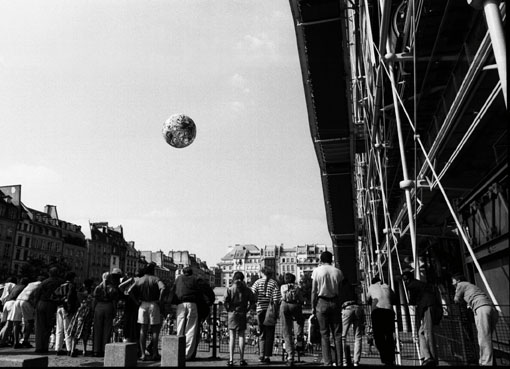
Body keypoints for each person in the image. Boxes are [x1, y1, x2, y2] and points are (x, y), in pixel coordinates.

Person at [452, 273, 499, 366]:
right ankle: (485, 361)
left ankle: (485, 363)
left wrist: (460, 299)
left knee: (483, 338)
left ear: (457, 280)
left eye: (452, 281)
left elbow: (456, 299)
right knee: (487, 337)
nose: (452, 283)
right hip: (492, 309)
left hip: (481, 308)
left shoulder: (461, 284)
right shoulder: (471, 286)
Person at [402, 271, 443, 366]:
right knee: (421, 332)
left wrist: (411, 302)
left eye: (405, 279)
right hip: (430, 306)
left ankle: (432, 358)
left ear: (409, 278)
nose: (405, 281)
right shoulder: (420, 284)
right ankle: (427, 356)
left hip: (427, 306)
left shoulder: (412, 285)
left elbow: (412, 299)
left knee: (428, 332)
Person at [311, 250, 344, 366]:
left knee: (324, 334)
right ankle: (340, 362)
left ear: (321, 259)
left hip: (321, 302)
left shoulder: (316, 271)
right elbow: (340, 290)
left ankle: (327, 362)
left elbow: (314, 291)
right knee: (338, 335)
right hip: (335, 302)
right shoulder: (338, 272)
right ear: (331, 260)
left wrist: (313, 306)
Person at [130, 262, 166, 362]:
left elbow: (129, 290)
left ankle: (142, 354)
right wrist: (160, 299)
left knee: (143, 330)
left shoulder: (140, 280)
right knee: (155, 330)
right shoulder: (156, 279)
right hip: (154, 304)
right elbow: (163, 288)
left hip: (142, 305)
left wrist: (136, 301)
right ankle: (154, 353)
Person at [170, 266, 203, 360]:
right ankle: (187, 354)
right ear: (191, 272)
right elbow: (200, 292)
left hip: (180, 304)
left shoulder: (178, 278)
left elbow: (173, 290)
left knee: (179, 328)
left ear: (183, 272)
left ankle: (178, 351)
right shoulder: (195, 279)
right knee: (191, 329)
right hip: (192, 304)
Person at [224, 271, 256, 367]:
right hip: (242, 312)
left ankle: (231, 359)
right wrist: (247, 309)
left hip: (232, 313)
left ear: (233, 278)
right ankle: (242, 359)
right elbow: (253, 301)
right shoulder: (247, 289)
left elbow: (225, 301)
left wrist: (228, 309)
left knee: (232, 336)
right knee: (241, 336)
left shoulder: (230, 288)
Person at [251, 266, 281, 364]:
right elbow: (277, 299)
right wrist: (276, 312)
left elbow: (252, 295)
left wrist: (256, 302)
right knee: (270, 334)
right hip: (270, 311)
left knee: (262, 333)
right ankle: (267, 356)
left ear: (262, 273)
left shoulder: (257, 282)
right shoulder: (274, 283)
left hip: (260, 310)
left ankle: (261, 355)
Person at [32, 268, 64, 354]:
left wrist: (35, 306)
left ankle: (39, 347)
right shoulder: (61, 282)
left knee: (39, 327)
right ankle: (45, 346)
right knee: (48, 327)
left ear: (49, 273)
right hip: (52, 305)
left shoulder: (44, 282)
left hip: (41, 303)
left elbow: (37, 294)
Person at [366, 276, 395, 365]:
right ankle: (391, 357)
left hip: (377, 311)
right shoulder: (387, 286)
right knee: (389, 335)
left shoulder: (371, 287)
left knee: (378, 336)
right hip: (389, 311)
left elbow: (367, 299)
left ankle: (384, 357)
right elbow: (394, 297)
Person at [12, 274, 46, 349]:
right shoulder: (42, 284)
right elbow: (36, 295)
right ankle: (25, 340)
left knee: (16, 322)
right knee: (30, 322)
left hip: (18, 300)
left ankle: (16, 342)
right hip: (26, 301)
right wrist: (34, 304)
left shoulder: (31, 283)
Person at [280, 272, 305, 366]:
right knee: (300, 321)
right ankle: (299, 340)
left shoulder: (282, 287)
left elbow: (281, 297)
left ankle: (290, 357)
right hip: (295, 305)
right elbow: (301, 300)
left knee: (286, 332)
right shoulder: (297, 288)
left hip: (284, 306)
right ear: (294, 279)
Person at [92, 272, 120, 357]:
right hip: (108, 306)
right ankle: (105, 349)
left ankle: (96, 349)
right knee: (107, 329)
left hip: (99, 307)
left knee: (97, 329)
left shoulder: (98, 287)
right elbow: (114, 301)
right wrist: (115, 311)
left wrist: (94, 309)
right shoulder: (113, 288)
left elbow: (94, 300)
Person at [339, 277, 365, 366]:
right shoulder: (353, 288)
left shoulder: (340, 289)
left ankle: (344, 360)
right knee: (358, 336)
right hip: (357, 308)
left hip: (347, 309)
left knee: (342, 336)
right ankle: (356, 361)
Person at [52, 272, 79, 356]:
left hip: (59, 307)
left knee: (59, 329)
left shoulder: (61, 286)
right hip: (66, 308)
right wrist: (70, 308)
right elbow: (71, 297)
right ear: (72, 278)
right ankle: (69, 349)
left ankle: (58, 348)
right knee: (68, 329)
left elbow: (53, 296)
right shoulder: (71, 286)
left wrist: (60, 301)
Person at [67, 278, 95, 357]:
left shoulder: (80, 293)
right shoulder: (91, 294)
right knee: (86, 332)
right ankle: (84, 350)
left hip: (80, 313)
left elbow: (77, 301)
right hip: (88, 314)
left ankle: (72, 349)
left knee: (77, 331)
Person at [0, 277, 28, 347]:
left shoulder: (16, 287)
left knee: (8, 324)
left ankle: (3, 341)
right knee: (16, 323)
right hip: (13, 303)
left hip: (7, 303)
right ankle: (16, 342)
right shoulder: (24, 287)